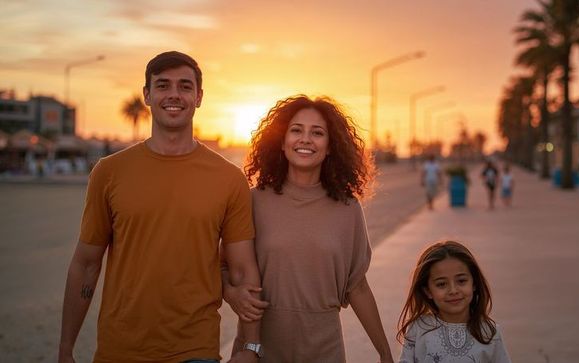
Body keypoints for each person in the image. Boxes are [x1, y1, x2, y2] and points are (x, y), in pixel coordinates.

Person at [58, 51, 262, 363]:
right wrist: (65, 349)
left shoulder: (229, 179)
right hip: (120, 349)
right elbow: (86, 263)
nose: (174, 95)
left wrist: (251, 347)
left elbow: (243, 270)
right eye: (163, 85)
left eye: (185, 86)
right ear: (147, 95)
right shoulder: (109, 172)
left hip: (195, 349)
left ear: (199, 97)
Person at [224, 95, 394, 363]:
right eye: (296, 130)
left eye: (317, 133)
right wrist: (231, 293)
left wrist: (384, 352)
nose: (305, 139)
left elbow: (357, 286)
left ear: (330, 147)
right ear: (281, 142)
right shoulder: (252, 201)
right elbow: (223, 266)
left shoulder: (347, 208)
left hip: (324, 350)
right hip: (258, 351)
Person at [397, 240, 512, 363]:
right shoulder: (418, 328)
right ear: (428, 291)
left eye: (461, 281)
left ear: (474, 283)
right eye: (441, 284)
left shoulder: (489, 332)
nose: (453, 290)